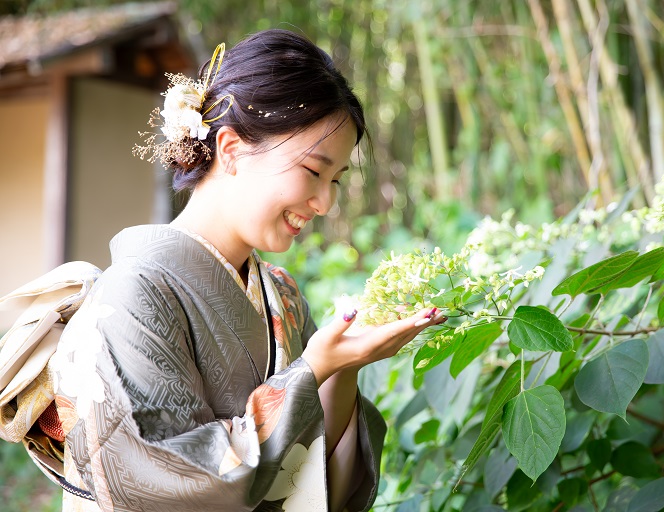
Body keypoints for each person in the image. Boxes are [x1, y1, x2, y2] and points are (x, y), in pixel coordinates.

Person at [52, 29, 445, 512]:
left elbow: (322, 482)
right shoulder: (134, 292)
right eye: (314, 171)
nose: (325, 202)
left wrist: (344, 367)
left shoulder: (283, 295)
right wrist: (313, 369)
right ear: (233, 149)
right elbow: (173, 484)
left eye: (337, 180)